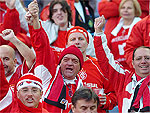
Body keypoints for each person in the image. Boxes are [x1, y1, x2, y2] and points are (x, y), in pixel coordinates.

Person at [26, 1, 117, 112]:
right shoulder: (53, 70)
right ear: (66, 44)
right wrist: (35, 21)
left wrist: (106, 101)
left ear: (80, 66)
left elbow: (114, 93)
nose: (77, 42)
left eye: (81, 39)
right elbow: (41, 46)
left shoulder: (95, 69)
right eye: (73, 39)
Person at [94, 15, 150, 112]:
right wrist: (99, 33)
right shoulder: (123, 79)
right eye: (139, 58)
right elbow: (105, 60)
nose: (143, 61)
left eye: (147, 58)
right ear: (132, 63)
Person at [105, 0, 141, 70]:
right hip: (118, 70)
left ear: (136, 10)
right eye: (123, 8)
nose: (125, 10)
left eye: (129, 8)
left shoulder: (140, 26)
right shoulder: (115, 29)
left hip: (135, 69)